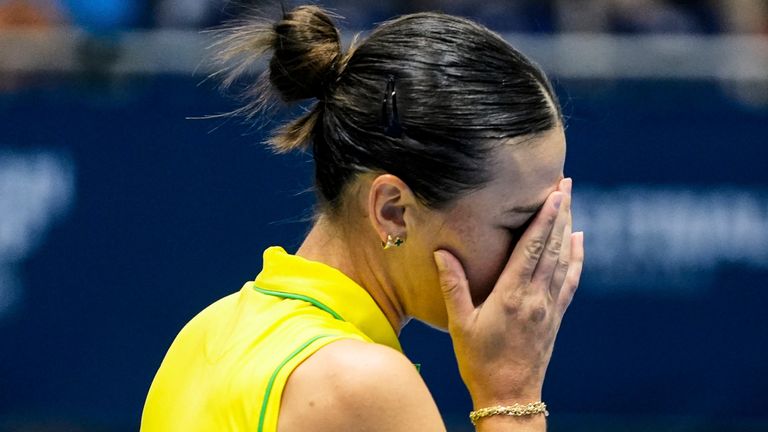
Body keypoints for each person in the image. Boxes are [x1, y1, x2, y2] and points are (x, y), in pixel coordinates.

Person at [141, 5, 584, 432]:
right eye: (520, 224)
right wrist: (510, 394)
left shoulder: (205, 332)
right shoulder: (358, 383)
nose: (543, 250)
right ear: (393, 211)